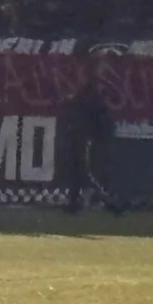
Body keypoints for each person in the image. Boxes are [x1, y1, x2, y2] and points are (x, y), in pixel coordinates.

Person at [62, 78, 112, 214]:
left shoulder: (87, 104)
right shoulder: (87, 104)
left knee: (83, 172)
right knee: (78, 172)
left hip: (84, 140)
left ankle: (103, 198)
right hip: (83, 140)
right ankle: (75, 201)